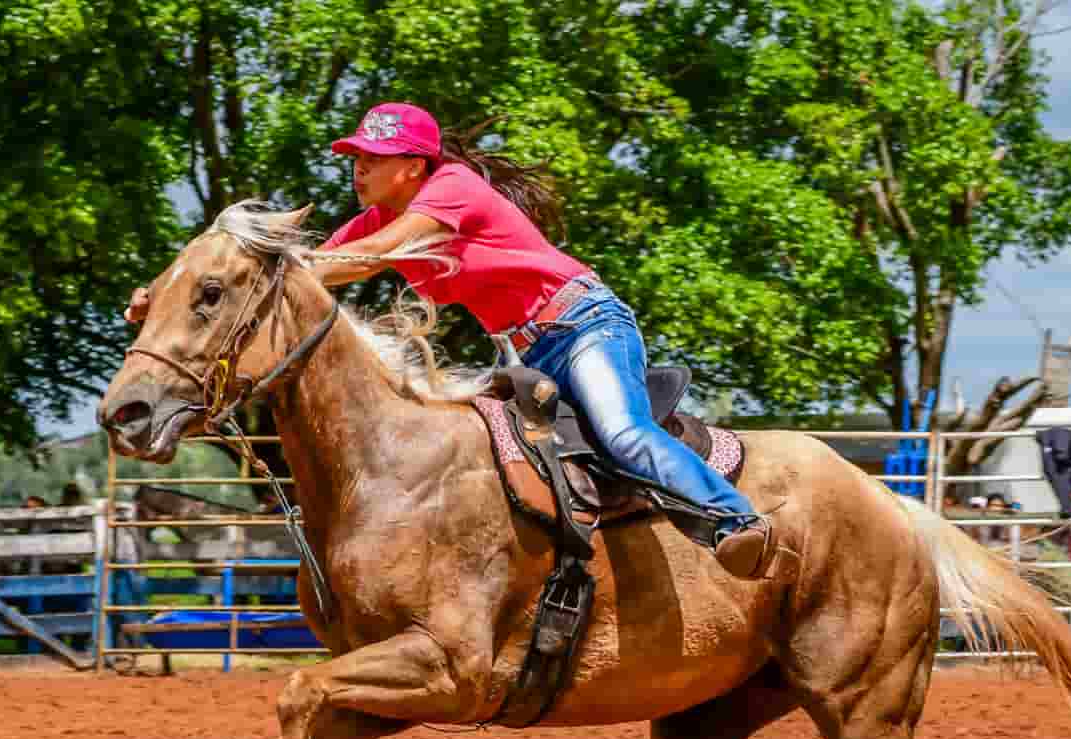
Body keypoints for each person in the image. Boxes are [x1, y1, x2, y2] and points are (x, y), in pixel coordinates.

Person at [127, 103, 769, 577]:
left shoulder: (451, 191)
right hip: (526, 350)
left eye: (372, 160)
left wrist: (255, 271)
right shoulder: (382, 215)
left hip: (586, 327)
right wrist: (178, 302)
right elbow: (301, 284)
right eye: (355, 159)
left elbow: (365, 258)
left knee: (623, 432)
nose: (358, 170)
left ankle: (738, 520)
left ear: (414, 165)